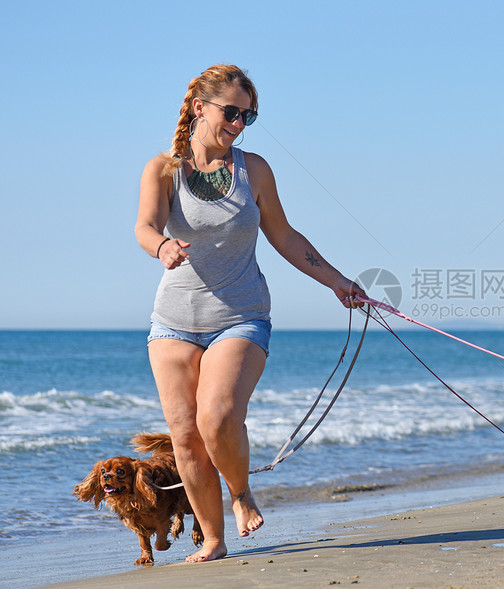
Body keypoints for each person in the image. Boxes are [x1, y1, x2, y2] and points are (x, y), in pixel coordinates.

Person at [135, 64, 365, 563]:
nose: (239, 123)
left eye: (249, 116)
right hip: (173, 321)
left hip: (241, 314)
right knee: (186, 435)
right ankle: (214, 540)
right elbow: (145, 226)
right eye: (232, 112)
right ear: (201, 107)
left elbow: (282, 234)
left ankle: (240, 492)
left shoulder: (253, 169)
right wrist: (162, 247)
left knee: (216, 416)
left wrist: (337, 282)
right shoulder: (164, 169)